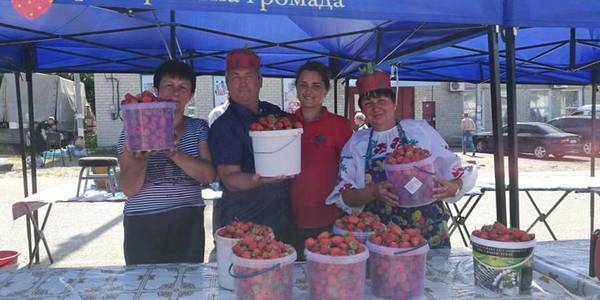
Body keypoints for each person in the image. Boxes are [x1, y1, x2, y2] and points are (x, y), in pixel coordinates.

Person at [326, 67, 477, 249]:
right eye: (368, 103)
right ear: (362, 109)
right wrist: (373, 192)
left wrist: (456, 186)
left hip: (429, 230)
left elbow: (454, 171)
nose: (376, 108)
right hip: (382, 237)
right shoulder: (356, 144)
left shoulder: (419, 131)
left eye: (382, 101)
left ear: (394, 103)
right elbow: (347, 196)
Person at [117, 60, 216, 265]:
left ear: (191, 95)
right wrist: (141, 160)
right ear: (156, 91)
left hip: (187, 221)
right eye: (168, 86)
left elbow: (209, 175)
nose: (175, 93)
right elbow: (129, 189)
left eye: (183, 87)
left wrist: (173, 152)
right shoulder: (132, 129)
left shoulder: (198, 127)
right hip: (142, 222)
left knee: (188, 288)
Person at [208, 48, 291, 240]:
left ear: (260, 81)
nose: (243, 83)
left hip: (281, 221)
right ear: (227, 83)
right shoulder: (224, 125)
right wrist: (259, 179)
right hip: (243, 225)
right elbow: (229, 178)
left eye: (249, 76)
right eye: (235, 77)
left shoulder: (274, 113)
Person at [288, 61, 353, 259]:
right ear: (297, 88)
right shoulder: (284, 123)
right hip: (288, 218)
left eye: (316, 86)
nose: (309, 91)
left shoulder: (340, 126)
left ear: (325, 90)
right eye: (303, 85)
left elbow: (350, 171)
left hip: (329, 219)